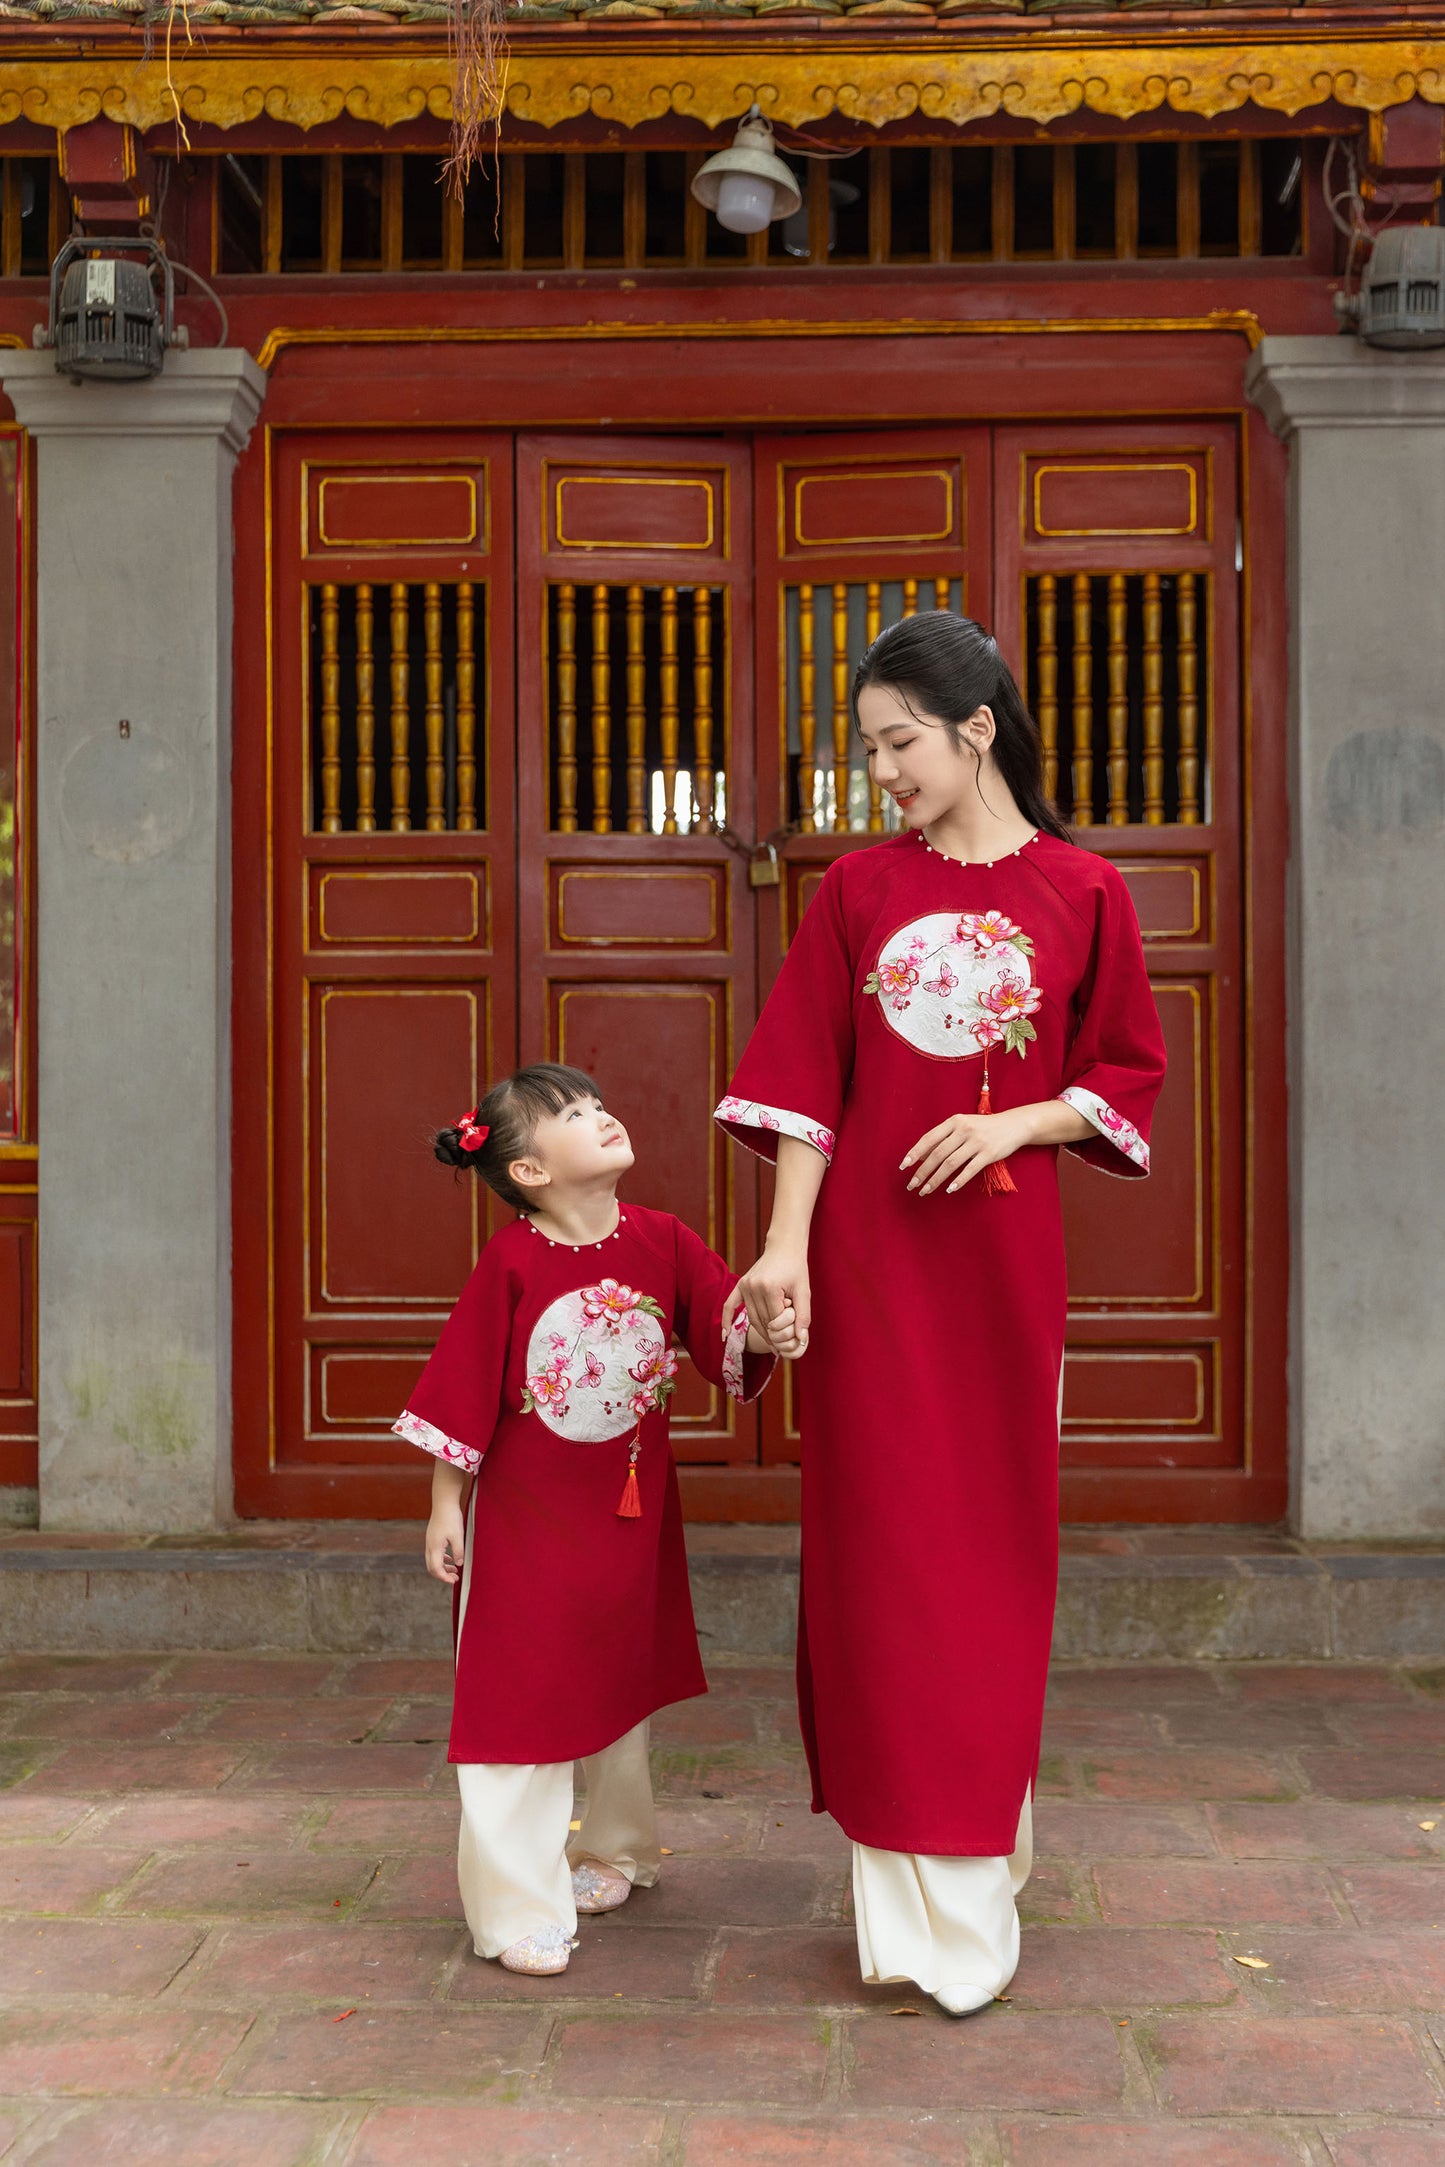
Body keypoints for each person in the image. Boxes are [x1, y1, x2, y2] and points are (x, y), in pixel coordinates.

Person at [718, 612, 1166, 2016]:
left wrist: (1014, 1123)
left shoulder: (1086, 890)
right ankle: (918, 1904)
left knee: (989, 1545)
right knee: (879, 1556)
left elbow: (1124, 1074)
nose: (881, 773)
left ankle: (982, 1844)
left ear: (975, 726)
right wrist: (784, 1253)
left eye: (898, 743)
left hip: (998, 1271)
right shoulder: (854, 889)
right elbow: (803, 1087)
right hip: (863, 1267)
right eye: (867, 750)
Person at [393, 1063, 777, 1977]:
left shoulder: (664, 1240)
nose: (602, 1116)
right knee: (516, 1703)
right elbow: (462, 1390)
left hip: (627, 1515)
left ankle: (612, 1850)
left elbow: (729, 1331)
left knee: (616, 1684)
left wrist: (772, 1318)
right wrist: (446, 1505)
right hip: (527, 1520)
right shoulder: (511, 1264)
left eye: (601, 1103)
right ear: (527, 1171)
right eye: (573, 1114)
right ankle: (514, 1906)